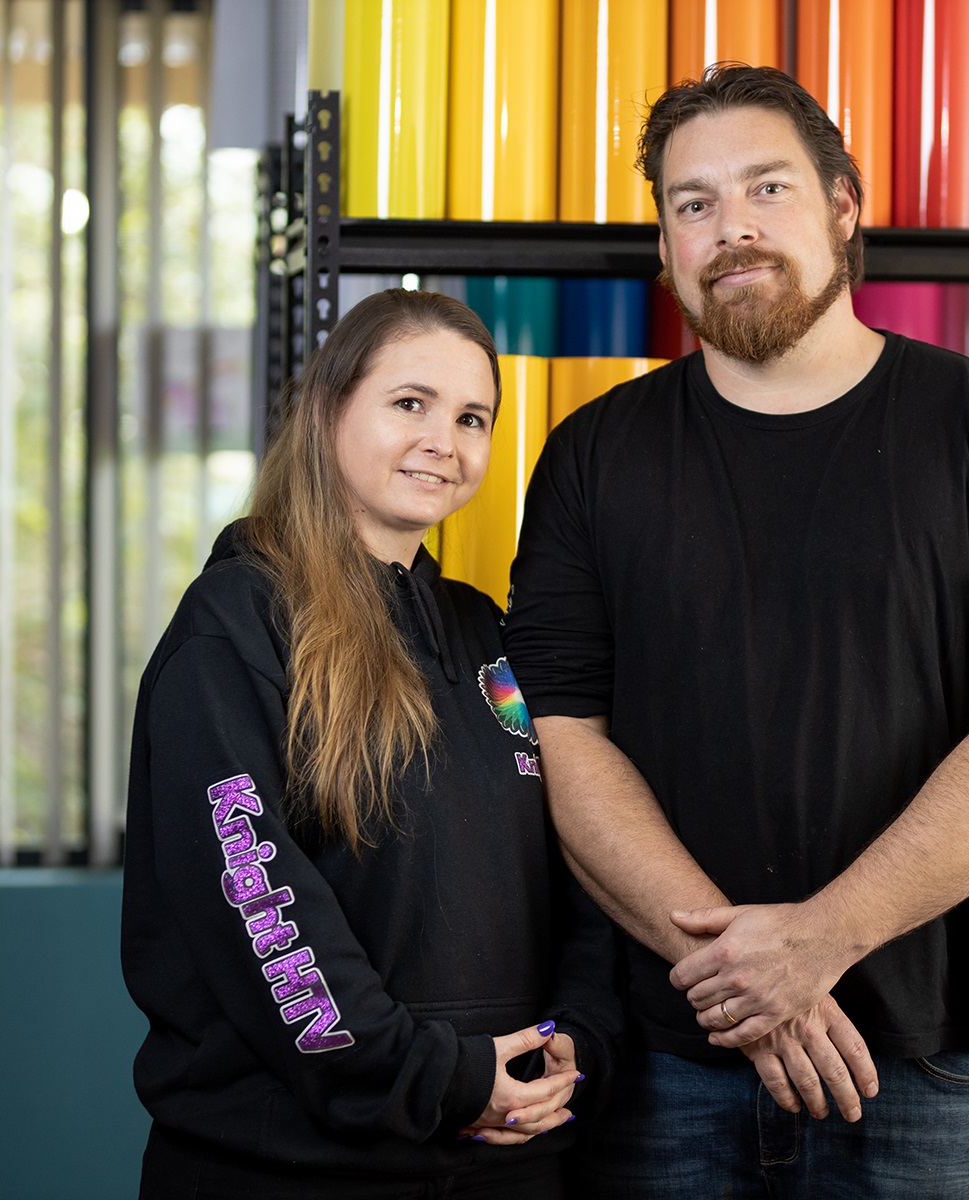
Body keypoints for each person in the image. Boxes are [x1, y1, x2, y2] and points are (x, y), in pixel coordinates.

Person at [503, 65, 969, 1197]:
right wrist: (738, 979)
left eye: (766, 187)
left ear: (843, 205)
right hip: (663, 1061)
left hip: (919, 1059)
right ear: (666, 245)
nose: (729, 227)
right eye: (692, 203)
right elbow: (564, 737)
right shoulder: (594, 458)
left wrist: (822, 939)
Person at [121, 289, 619, 1200]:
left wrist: (582, 1032)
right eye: (410, 403)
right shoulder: (236, 626)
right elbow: (256, 898)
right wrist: (432, 1076)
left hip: (510, 1158)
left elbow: (572, 852)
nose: (444, 440)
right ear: (326, 408)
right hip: (295, 1169)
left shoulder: (485, 635)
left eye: (472, 417)